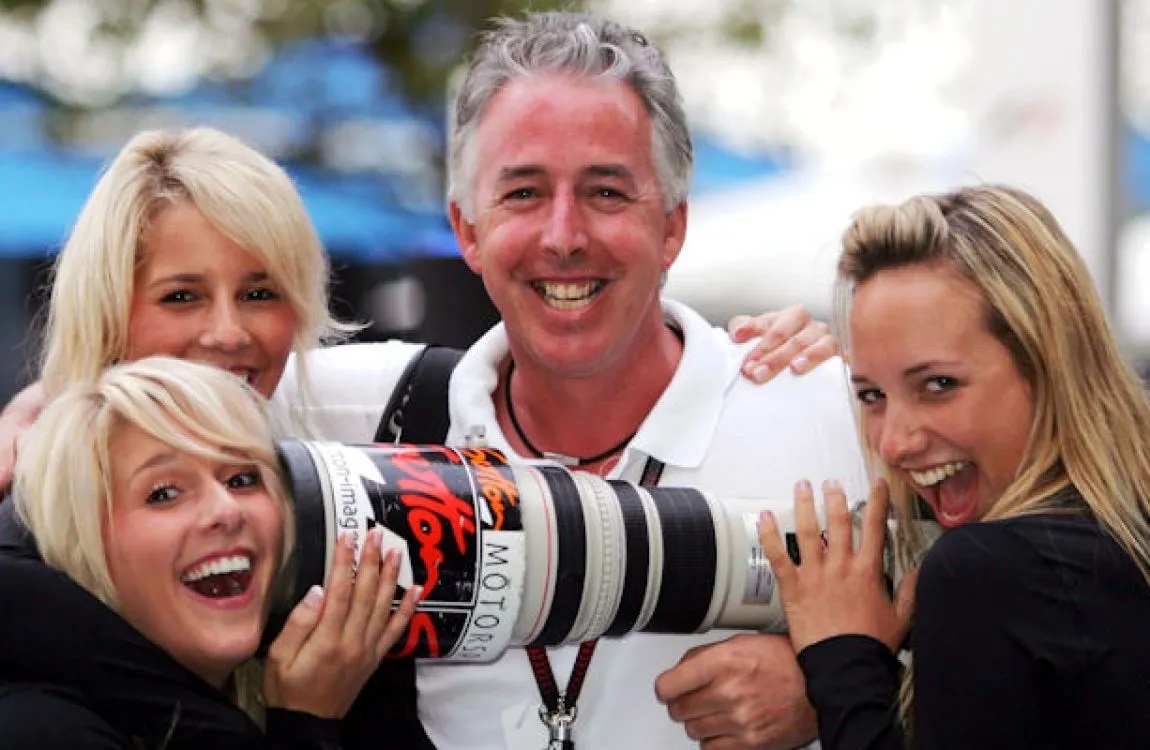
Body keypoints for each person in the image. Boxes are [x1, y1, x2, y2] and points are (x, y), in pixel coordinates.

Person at [0, 122, 834, 747]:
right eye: (181, 297)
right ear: (108, 310)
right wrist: (304, 717)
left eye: (261, 292)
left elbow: (519, 367)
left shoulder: (362, 420)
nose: (228, 334)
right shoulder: (28, 565)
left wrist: (763, 360)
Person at [302, 11, 868, 749]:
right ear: (467, 229)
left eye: (605, 192)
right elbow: (164, 383)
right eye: (525, 193)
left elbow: (1005, 634)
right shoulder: (370, 417)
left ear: (671, 226)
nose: (564, 236)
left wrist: (837, 682)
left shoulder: (829, 415)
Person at [759, 184, 1150, 749]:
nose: (894, 444)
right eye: (871, 395)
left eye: (939, 386)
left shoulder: (986, 572)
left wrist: (842, 658)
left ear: (1047, 364)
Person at [1, 356, 419, 748]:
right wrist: (306, 727)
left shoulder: (332, 681)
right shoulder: (42, 730)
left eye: (242, 479)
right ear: (81, 539)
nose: (226, 510)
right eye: (164, 493)